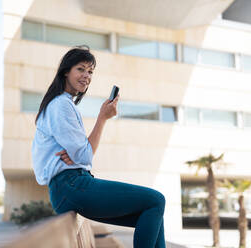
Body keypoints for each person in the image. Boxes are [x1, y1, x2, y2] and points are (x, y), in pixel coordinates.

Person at [31, 46, 166, 248]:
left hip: (71, 186)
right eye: (81, 69)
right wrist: (102, 118)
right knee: (156, 200)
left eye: (90, 71)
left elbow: (81, 154)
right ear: (66, 71)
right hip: (72, 186)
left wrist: (78, 154)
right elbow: (85, 156)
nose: (87, 76)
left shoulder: (62, 104)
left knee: (152, 211)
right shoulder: (61, 105)